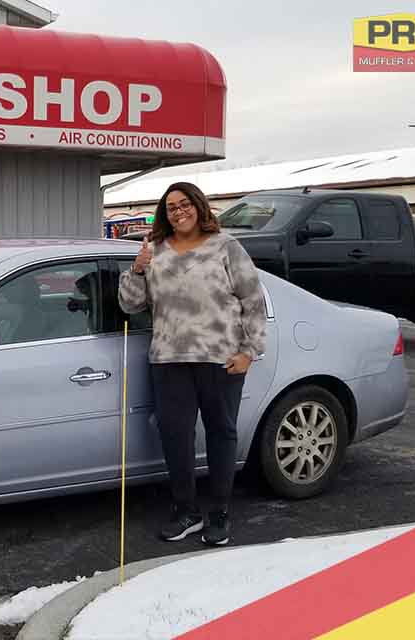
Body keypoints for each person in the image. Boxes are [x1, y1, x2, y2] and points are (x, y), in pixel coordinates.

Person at [118, 182, 266, 546]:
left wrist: (249, 351)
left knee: (221, 433)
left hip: (220, 358)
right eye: (170, 207)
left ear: (199, 207)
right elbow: (129, 305)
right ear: (163, 214)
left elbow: (253, 300)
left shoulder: (226, 247)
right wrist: (137, 269)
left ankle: (219, 512)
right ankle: (186, 511)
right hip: (169, 360)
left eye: (185, 204)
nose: (178, 211)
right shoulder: (154, 251)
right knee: (175, 437)